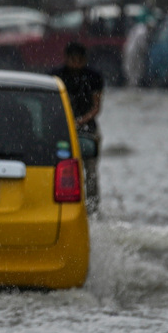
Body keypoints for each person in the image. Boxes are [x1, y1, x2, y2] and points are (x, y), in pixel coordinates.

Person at [50, 42, 105, 213]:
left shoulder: (94, 77)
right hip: (61, 129)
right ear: (66, 59)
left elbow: (96, 107)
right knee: (61, 169)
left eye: (79, 60)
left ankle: (92, 208)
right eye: (72, 59)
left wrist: (79, 121)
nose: (75, 63)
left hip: (88, 130)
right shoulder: (56, 77)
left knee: (90, 171)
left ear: (84, 60)